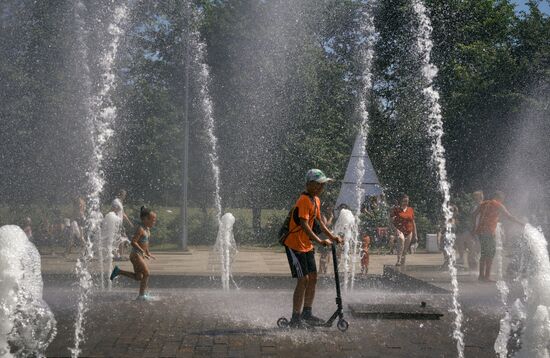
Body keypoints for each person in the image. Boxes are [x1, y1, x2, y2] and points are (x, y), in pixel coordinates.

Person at [282, 169, 342, 328]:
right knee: (303, 279)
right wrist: (319, 241)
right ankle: (295, 318)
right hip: (294, 245)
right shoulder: (303, 200)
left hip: (306, 246)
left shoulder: (315, 200)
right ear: (309, 184)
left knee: (313, 277)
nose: (321, 188)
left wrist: (332, 237)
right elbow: (304, 224)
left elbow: (320, 223)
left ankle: (307, 313)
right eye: (319, 185)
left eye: (323, 185)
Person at [473, 191, 525, 282]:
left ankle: (481, 276)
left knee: (484, 253)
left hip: (480, 232)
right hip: (488, 232)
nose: (502, 201)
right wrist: (521, 223)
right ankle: (486, 277)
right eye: (502, 199)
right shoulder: (498, 205)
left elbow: (473, 215)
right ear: (500, 198)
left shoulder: (484, 203)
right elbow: (509, 217)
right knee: (490, 253)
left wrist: (474, 227)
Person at [110, 206, 157, 300]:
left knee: (139, 277)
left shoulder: (147, 230)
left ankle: (118, 271)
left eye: (154, 220)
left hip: (139, 255)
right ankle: (141, 296)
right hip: (135, 255)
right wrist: (142, 251)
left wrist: (148, 252)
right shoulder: (141, 229)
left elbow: (146, 243)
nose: (154, 222)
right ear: (144, 219)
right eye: (152, 220)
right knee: (146, 273)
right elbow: (133, 242)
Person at [390, 194, 418, 266]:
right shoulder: (396, 210)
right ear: (401, 201)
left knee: (405, 250)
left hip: (409, 231)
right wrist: (395, 229)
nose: (406, 202)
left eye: (407, 201)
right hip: (400, 230)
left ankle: (402, 265)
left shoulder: (410, 209)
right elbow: (391, 221)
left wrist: (415, 235)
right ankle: (398, 260)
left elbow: (413, 222)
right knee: (401, 239)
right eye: (404, 201)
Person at [112, 190, 133, 259]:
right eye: (124, 195)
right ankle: (120, 255)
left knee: (122, 239)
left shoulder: (120, 202)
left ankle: (118, 254)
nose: (125, 196)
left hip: (120, 224)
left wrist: (129, 222)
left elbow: (123, 213)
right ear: (121, 194)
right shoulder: (116, 201)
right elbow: (113, 211)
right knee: (122, 239)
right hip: (116, 223)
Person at [318, 203, 334, 274]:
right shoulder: (323, 215)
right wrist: (331, 218)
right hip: (324, 237)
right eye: (329, 208)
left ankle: (323, 269)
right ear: (326, 208)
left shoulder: (330, 215)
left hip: (328, 237)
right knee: (324, 254)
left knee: (328, 253)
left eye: (331, 208)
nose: (330, 210)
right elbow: (326, 225)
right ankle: (322, 270)